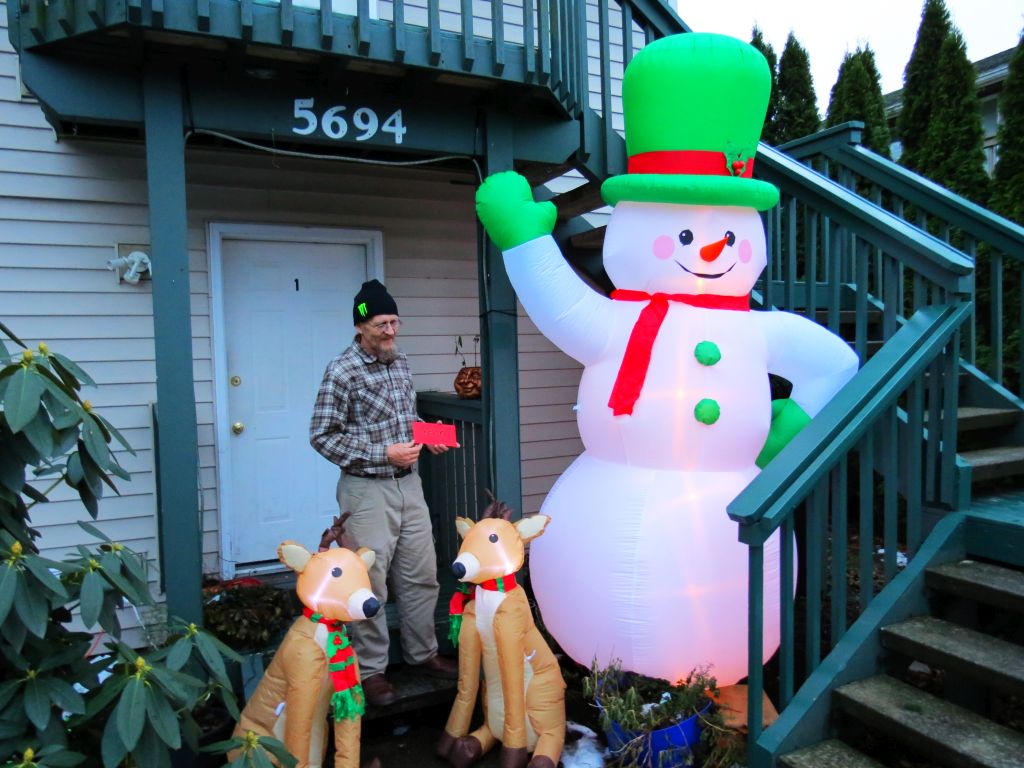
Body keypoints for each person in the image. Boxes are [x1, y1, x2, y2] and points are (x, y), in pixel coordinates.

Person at [310, 279, 458, 707]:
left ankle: (423, 654)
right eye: (381, 324)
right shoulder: (342, 371)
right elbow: (321, 436)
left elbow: (404, 417)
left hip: (409, 485)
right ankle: (371, 671)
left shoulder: (399, 361)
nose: (391, 331)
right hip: (366, 491)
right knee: (369, 582)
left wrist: (428, 436)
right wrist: (382, 454)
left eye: (395, 322)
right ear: (360, 326)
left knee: (421, 574)